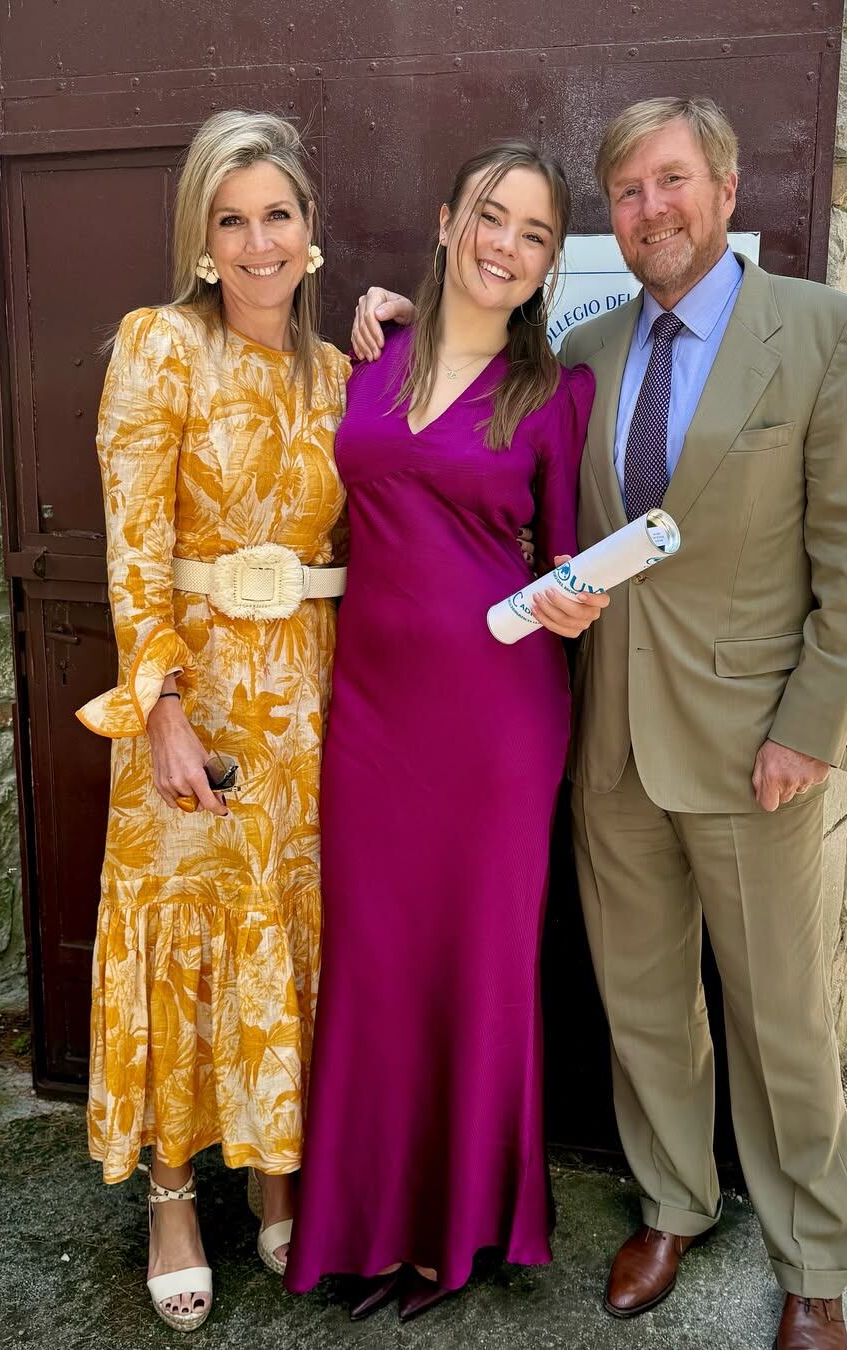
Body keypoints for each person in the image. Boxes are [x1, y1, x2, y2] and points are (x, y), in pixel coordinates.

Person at [354, 94, 847, 1350]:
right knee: (645, 1001)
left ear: (726, 187)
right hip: (605, 742)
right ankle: (673, 1204)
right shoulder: (585, 353)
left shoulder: (827, 334)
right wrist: (387, 320)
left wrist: (811, 726)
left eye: (672, 181)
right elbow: (466, 387)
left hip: (755, 749)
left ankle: (814, 1261)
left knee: (778, 1022)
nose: (651, 210)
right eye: (629, 191)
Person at [284, 142, 604, 1322]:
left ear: (549, 264)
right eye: (490, 216)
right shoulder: (370, 358)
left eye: (534, 233)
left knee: (476, 971)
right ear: (445, 219)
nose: (505, 244)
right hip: (372, 717)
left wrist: (577, 595)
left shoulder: (554, 395)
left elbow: (565, 556)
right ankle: (364, 1225)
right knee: (373, 965)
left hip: (496, 728)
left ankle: (457, 1236)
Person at [76, 111, 350, 1331]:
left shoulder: (339, 373)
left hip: (309, 706)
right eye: (230, 220)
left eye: (275, 214)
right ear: (201, 237)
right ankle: (176, 1193)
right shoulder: (161, 347)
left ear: (310, 229)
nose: (256, 241)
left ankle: (276, 1164)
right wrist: (163, 713)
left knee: (283, 930)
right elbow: (134, 551)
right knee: (182, 939)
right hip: (192, 703)